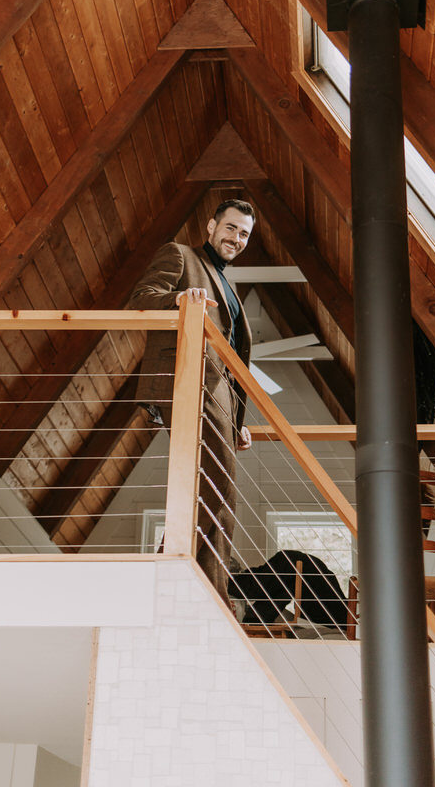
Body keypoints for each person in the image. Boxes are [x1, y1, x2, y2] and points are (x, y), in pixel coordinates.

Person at [128, 199, 255, 602]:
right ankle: (179, 579)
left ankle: (196, 590)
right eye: (231, 228)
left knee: (215, 492)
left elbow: (232, 355)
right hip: (189, 381)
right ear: (212, 224)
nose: (236, 238)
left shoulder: (228, 284)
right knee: (218, 487)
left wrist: (237, 422)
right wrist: (180, 299)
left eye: (244, 234)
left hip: (219, 396)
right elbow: (143, 297)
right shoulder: (180, 255)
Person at [228, 549, 348, 632]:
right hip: (336, 613)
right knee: (290, 568)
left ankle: (235, 580)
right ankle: (240, 582)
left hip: (336, 615)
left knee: (290, 561)